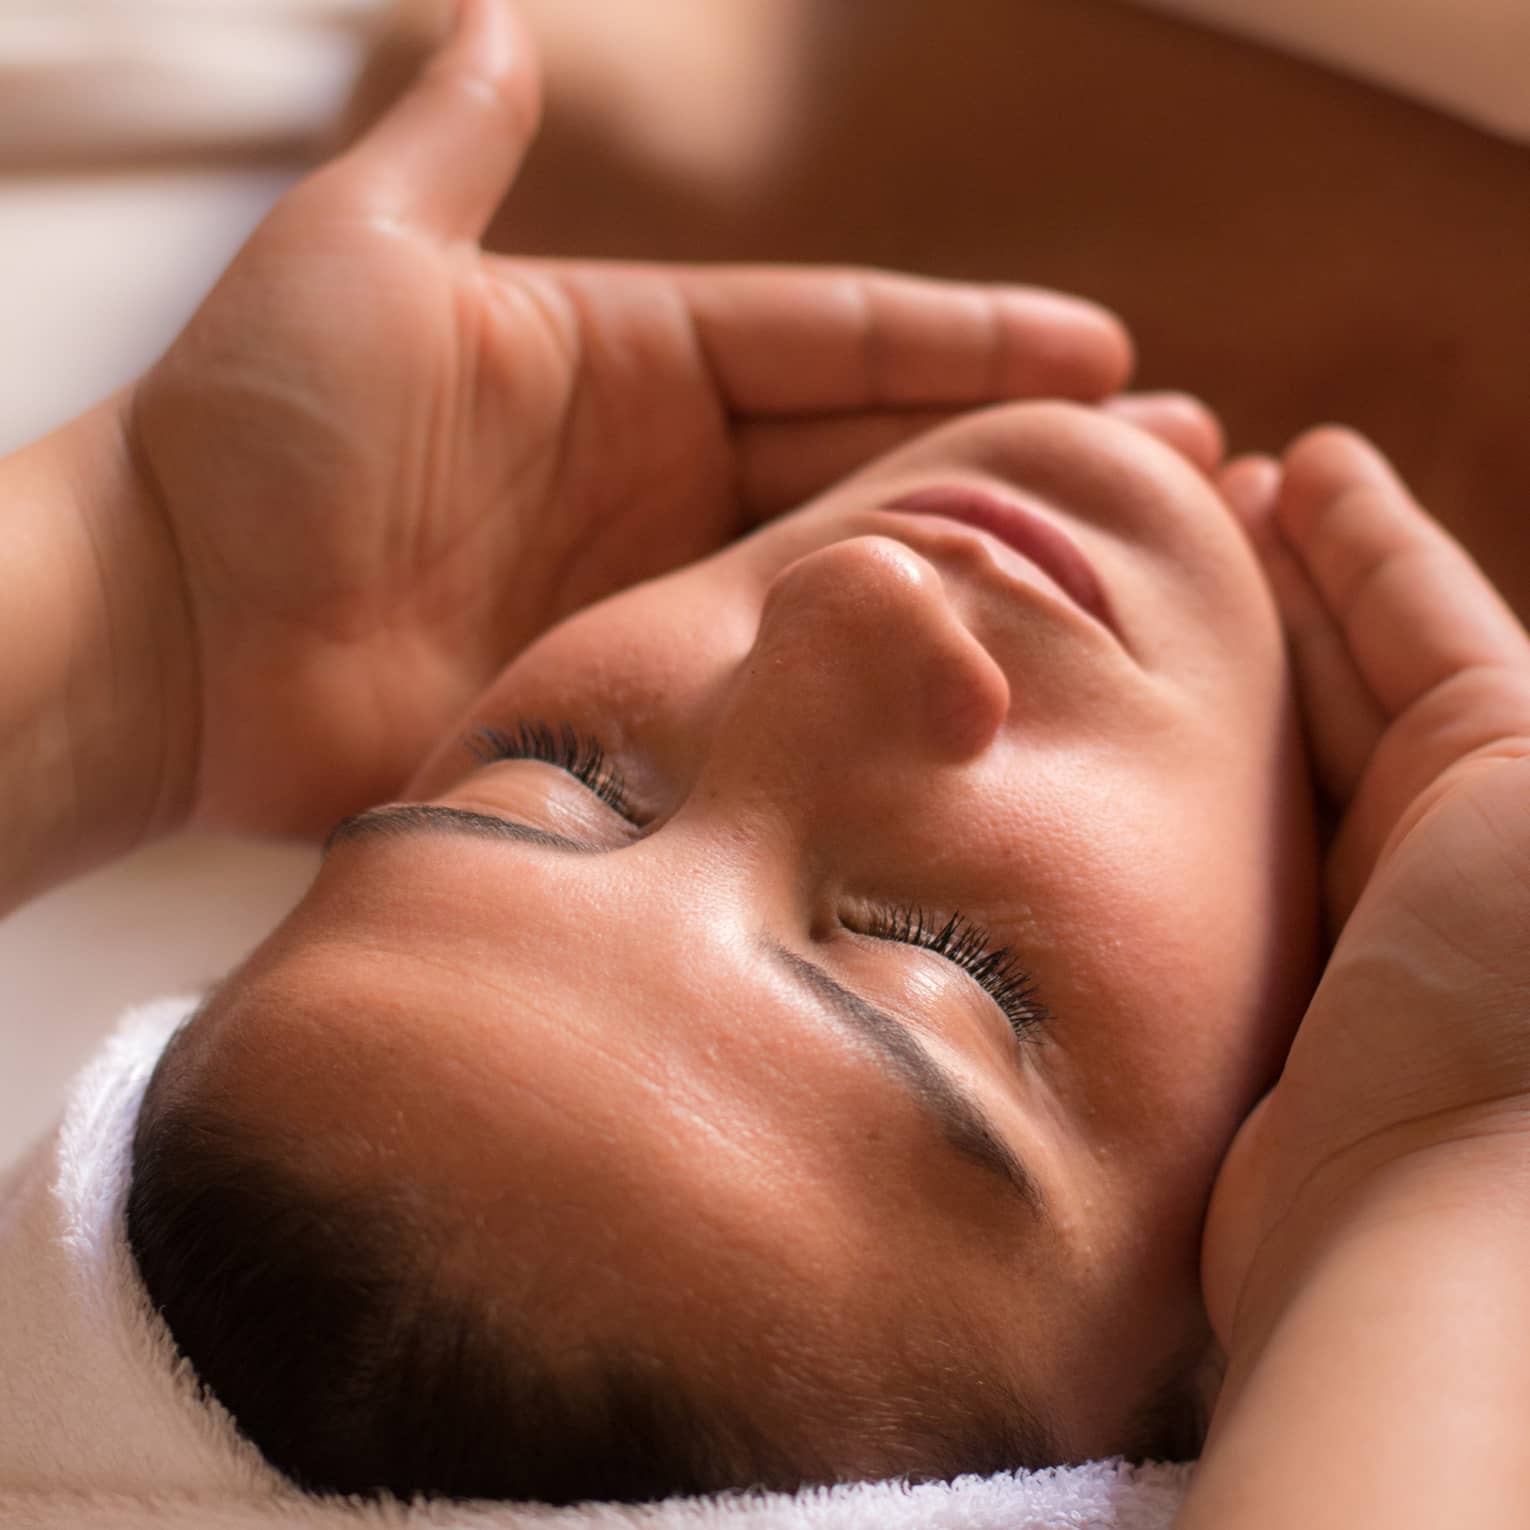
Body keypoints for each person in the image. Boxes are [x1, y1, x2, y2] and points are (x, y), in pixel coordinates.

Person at [7, 1, 1530, 1520]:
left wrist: (148, 602)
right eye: (944, 961)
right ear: (1221, 1367)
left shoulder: (599, 185)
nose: (843, 605)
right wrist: (1442, 1168)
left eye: (559, 774)